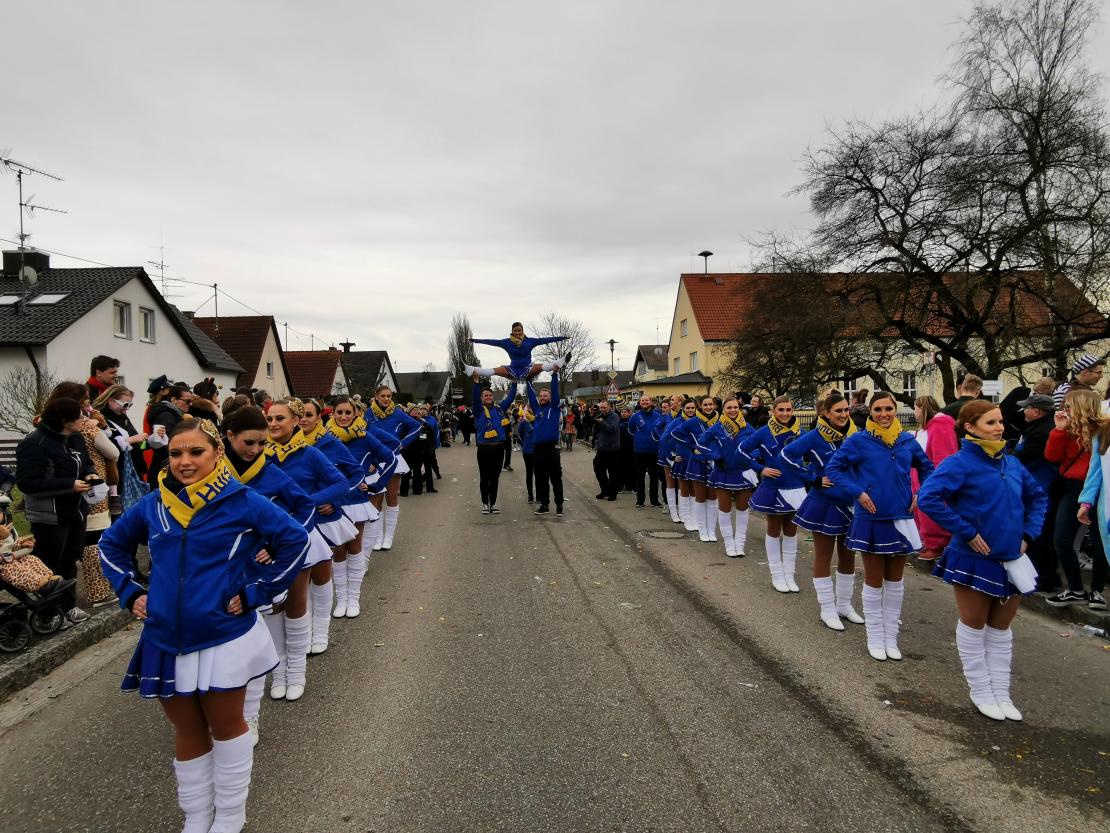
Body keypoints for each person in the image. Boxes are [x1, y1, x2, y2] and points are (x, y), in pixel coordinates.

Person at [99, 418, 308, 833]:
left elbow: (294, 541)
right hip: (163, 637)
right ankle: (196, 818)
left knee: (227, 726)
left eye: (196, 452)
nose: (184, 461)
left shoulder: (242, 500)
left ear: (216, 453)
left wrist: (257, 592)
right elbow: (111, 544)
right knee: (187, 729)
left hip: (222, 634)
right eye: (176, 453)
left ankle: (231, 815)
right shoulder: (154, 504)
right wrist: (130, 591)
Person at [917, 401, 1047, 721]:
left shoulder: (1012, 463)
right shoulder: (958, 463)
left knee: (1001, 630)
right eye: (991, 423)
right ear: (970, 427)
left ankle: (1001, 691)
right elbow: (929, 497)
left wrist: (1028, 534)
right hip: (974, 558)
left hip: (1013, 559)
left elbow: (1038, 498)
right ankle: (980, 689)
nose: (999, 428)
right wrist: (965, 530)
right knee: (975, 626)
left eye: (1000, 422)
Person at [221, 405, 335, 742]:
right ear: (229, 438)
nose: (255, 450)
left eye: (260, 443)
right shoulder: (216, 473)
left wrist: (278, 541)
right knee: (258, 617)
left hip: (283, 551)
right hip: (237, 561)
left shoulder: (272, 473)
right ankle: (273, 672)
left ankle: (294, 669)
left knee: (296, 603)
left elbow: (305, 506)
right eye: (249, 443)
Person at [825, 391, 934, 661]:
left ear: (896, 410)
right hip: (871, 518)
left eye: (888, 408)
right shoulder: (858, 441)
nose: (884, 414)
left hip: (901, 518)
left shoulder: (907, 441)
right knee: (874, 581)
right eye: (878, 410)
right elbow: (834, 469)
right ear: (870, 412)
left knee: (895, 582)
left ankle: (890, 638)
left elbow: (928, 468)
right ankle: (874, 637)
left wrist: (921, 493)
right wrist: (858, 492)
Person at [263, 399, 353, 700]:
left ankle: (301, 665)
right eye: (269, 418)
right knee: (273, 604)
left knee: (299, 599)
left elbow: (341, 482)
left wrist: (308, 502)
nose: (273, 424)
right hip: (266, 541)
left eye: (280, 418)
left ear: (295, 421)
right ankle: (279, 671)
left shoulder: (311, 454)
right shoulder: (259, 457)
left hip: (302, 533)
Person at [782, 390, 862, 628]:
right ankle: (827, 608)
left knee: (849, 555)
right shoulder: (815, 436)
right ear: (826, 413)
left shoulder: (854, 435)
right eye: (838, 411)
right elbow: (787, 454)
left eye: (846, 410)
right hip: (825, 503)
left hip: (851, 502)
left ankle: (844, 605)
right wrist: (811, 478)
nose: (844, 414)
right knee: (824, 556)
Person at [15, 397, 94, 627]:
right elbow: (28, 484)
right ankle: (47, 614)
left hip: (76, 511)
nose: (84, 419)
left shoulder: (75, 437)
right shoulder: (35, 443)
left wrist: (88, 474)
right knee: (49, 565)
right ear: (63, 420)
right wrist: (70, 484)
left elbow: (86, 462)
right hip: (50, 516)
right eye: (79, 416)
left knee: (70, 561)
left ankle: (68, 608)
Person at [327, 396, 397, 617]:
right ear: (333, 414)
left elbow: (391, 458)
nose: (344, 417)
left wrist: (377, 485)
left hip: (356, 500)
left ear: (356, 414)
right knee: (338, 550)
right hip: (334, 502)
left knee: (354, 547)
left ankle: (354, 599)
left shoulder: (365, 437)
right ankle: (341, 599)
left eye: (348, 412)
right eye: (340, 413)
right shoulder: (325, 440)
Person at [1044, 388, 1107, 608]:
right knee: (1061, 538)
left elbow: (1099, 467)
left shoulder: (1103, 430)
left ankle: (1097, 591)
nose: (1064, 409)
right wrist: (1058, 431)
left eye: (1068, 405)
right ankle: (1075, 588)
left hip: (1098, 490)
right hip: (1072, 488)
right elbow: (1051, 456)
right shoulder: (1067, 430)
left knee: (1100, 543)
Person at [743, 396, 806, 591]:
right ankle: (776, 575)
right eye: (781, 410)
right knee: (773, 529)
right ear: (773, 411)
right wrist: (760, 468)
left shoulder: (801, 432)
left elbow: (812, 458)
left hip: (795, 487)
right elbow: (742, 450)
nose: (785, 414)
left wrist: (809, 475)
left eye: (788, 410)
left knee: (791, 530)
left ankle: (789, 574)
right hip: (773, 487)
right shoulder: (763, 432)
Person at [695, 395, 757, 557]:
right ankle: (729, 544)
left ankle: (740, 544)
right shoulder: (717, 427)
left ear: (739, 408)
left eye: (735, 407)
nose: (733, 410)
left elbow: (760, 446)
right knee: (724, 509)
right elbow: (700, 444)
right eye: (729, 407)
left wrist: (751, 456)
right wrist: (716, 456)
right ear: (723, 409)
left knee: (743, 509)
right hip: (723, 472)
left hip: (743, 473)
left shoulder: (747, 427)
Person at [364, 386, 422, 550]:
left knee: (391, 497)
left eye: (389, 396)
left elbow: (416, 427)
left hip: (392, 457)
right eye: (382, 395)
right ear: (376, 396)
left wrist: (402, 444)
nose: (386, 398)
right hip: (374, 458)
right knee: (376, 499)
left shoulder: (396, 412)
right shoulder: (368, 414)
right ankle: (377, 537)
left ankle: (388, 537)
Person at [1011, 393, 1058, 590]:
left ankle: (1045, 577)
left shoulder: (1041, 432)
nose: (1023, 412)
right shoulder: (1035, 428)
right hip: (1036, 485)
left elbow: (1023, 456)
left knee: (1040, 534)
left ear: (1036, 411)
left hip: (1041, 486)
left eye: (1027, 408)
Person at [911, 396, 959, 561]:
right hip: (923, 478)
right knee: (922, 511)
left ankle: (936, 544)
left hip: (932, 479)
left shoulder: (940, 426)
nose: (914, 412)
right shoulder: (927, 428)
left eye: (915, 408)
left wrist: (935, 481)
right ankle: (929, 541)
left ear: (922, 409)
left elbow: (942, 457)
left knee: (932, 510)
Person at [671, 396, 721, 542]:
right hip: (697, 461)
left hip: (715, 461)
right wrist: (693, 445)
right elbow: (675, 434)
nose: (708, 407)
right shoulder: (693, 421)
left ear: (715, 405)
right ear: (701, 406)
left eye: (711, 404)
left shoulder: (720, 421)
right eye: (705, 404)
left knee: (712, 497)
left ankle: (711, 531)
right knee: (698, 495)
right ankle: (700, 528)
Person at [466, 322, 568, 382]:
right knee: (495, 370)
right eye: (515, 330)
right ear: (512, 331)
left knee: (541, 366)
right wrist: (474, 340)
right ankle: (473, 370)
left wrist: (562, 338)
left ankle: (559, 362)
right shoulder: (506, 342)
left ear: (522, 331)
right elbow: (491, 342)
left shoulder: (530, 341)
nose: (517, 332)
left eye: (519, 330)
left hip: (527, 369)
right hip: (513, 369)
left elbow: (545, 340)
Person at [473, 383, 516, 513]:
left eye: (490, 395)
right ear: (481, 398)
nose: (488, 397)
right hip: (484, 449)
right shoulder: (478, 409)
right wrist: (476, 383)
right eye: (485, 395)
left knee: (495, 477)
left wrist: (514, 382)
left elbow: (510, 398)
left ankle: (493, 503)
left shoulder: (499, 409)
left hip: (498, 448)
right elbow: (474, 398)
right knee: (484, 477)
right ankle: (485, 503)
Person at [527, 373, 566, 516]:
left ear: (550, 398)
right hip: (537, 451)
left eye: (545, 396)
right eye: (541, 396)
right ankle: (544, 505)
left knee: (556, 479)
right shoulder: (537, 410)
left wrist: (555, 375)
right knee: (541, 479)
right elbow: (531, 397)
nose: (542, 397)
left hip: (551, 450)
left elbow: (555, 391)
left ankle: (559, 506)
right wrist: (528, 381)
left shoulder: (554, 408)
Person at [147, 382, 194, 478]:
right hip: (164, 470)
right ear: (173, 400)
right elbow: (167, 446)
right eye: (187, 401)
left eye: (191, 401)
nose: (191, 404)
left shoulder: (174, 414)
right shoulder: (166, 416)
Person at [627, 395, 664, 509]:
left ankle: (654, 501)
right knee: (640, 477)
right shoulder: (635, 417)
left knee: (654, 477)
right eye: (643, 400)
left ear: (651, 402)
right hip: (639, 452)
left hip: (654, 452)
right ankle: (640, 501)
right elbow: (630, 430)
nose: (644, 402)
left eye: (647, 400)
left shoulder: (658, 416)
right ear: (640, 402)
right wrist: (640, 440)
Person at [668, 399, 699, 529]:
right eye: (688, 408)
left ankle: (694, 518)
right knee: (684, 490)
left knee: (695, 491)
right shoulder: (677, 422)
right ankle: (686, 519)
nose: (691, 410)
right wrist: (672, 457)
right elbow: (667, 439)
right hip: (683, 459)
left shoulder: (699, 421)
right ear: (683, 409)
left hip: (696, 459)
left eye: (693, 408)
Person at [655, 396, 684, 523]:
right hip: (667, 452)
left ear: (680, 402)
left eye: (673, 400)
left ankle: (682, 510)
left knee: (682, 482)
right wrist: (663, 439)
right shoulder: (667, 415)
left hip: (681, 452)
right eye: (670, 400)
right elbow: (656, 428)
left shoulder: (684, 416)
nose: (670, 402)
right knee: (670, 481)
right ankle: (673, 511)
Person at [592, 400, 622, 502]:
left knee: (613, 472)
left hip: (612, 449)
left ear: (609, 407)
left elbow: (612, 429)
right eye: (601, 407)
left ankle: (612, 493)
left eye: (604, 407)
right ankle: (605, 490)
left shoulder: (614, 416)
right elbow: (599, 431)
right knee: (598, 468)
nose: (602, 409)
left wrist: (602, 423)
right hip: (602, 448)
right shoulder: (601, 416)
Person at [517, 405, 536, 503]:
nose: (531, 410)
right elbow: (519, 435)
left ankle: (540, 496)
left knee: (539, 474)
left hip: (538, 450)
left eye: (532, 408)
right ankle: (530, 496)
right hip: (528, 451)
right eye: (529, 408)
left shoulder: (538, 419)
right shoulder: (523, 422)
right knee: (529, 473)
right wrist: (525, 443)